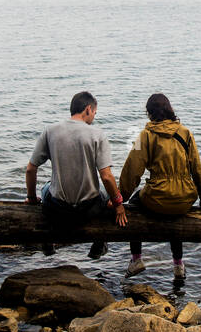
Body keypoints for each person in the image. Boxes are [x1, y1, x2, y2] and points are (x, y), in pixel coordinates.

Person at [118, 93, 201, 281]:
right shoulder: (185, 133)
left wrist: (120, 198)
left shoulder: (146, 135)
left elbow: (132, 170)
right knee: (174, 216)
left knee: (133, 206)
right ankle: (178, 265)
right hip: (185, 197)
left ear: (150, 113)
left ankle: (136, 259)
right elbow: (197, 169)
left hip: (157, 197)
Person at [25, 91, 128, 258]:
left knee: (47, 187)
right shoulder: (97, 134)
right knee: (105, 191)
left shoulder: (50, 131)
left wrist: (30, 198)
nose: (94, 116)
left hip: (58, 208)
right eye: (94, 112)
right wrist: (118, 204)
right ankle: (99, 243)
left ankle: (48, 241)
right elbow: (107, 176)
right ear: (88, 109)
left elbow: (30, 169)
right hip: (88, 209)